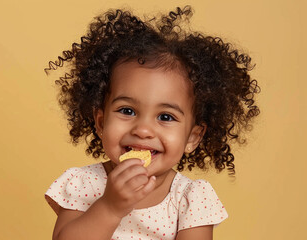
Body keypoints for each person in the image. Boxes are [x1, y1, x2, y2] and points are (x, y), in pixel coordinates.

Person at [44, 6, 260, 240]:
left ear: (192, 137)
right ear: (100, 122)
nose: (143, 130)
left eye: (165, 117)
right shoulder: (83, 184)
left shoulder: (190, 199)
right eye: (127, 111)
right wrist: (110, 207)